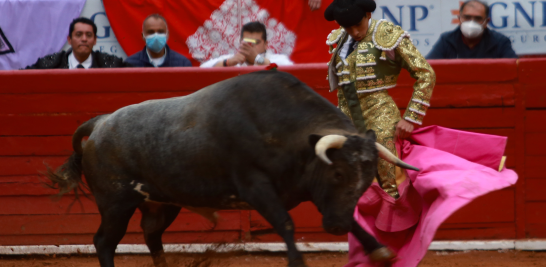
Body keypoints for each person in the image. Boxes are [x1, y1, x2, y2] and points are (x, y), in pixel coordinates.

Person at [324, 0, 517, 266]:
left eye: (358, 24)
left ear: (368, 14)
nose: (355, 32)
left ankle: (397, 249)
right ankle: (368, 248)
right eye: (348, 26)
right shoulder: (338, 40)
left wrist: (411, 117)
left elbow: (425, 73)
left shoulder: (386, 34)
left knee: (389, 180)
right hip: (346, 119)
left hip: (380, 113)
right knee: (347, 181)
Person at [427, 0, 517, 59]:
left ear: (486, 22)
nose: (471, 22)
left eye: (478, 18)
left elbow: (514, 69)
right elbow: (427, 68)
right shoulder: (447, 40)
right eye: (467, 17)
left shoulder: (500, 42)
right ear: (459, 19)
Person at [25, 18, 128, 69]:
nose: (84, 39)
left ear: (95, 40)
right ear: (69, 40)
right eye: (79, 35)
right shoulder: (50, 64)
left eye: (88, 35)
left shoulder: (111, 64)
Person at [200, 21, 293, 68]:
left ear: (266, 44)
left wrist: (258, 59)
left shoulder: (278, 59)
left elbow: (291, 72)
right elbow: (202, 70)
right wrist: (228, 63)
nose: (251, 46)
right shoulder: (232, 60)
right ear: (241, 42)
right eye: (247, 42)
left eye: (256, 43)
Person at [125, 14, 192, 68]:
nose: (156, 36)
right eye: (151, 32)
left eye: (160, 32)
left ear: (167, 34)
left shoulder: (183, 64)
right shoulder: (130, 64)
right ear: (143, 36)